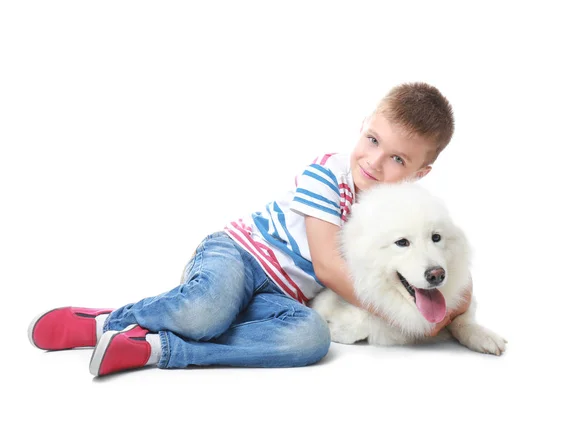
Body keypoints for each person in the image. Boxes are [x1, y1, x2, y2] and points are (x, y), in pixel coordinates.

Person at [28, 82, 471, 377]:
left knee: (311, 339)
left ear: (420, 172)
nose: (374, 162)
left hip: (281, 298)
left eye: (397, 159)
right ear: (363, 125)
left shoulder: (396, 212)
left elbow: (426, 257)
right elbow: (329, 267)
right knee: (206, 310)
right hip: (240, 257)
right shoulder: (327, 175)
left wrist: (450, 299)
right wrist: (408, 315)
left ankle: (155, 349)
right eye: (373, 140)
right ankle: (109, 321)